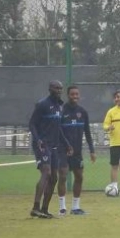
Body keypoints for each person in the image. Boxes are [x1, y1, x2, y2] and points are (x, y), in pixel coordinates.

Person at [28, 80, 72, 219]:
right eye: (56, 88)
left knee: (54, 178)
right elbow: (32, 124)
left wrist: (67, 144)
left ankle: (44, 209)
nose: (59, 90)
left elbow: (58, 128)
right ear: (50, 89)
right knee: (46, 172)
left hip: (54, 146)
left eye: (60, 88)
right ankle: (35, 208)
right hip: (43, 144)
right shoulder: (42, 104)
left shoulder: (60, 106)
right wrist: (38, 140)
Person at [57, 85, 96, 216]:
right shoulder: (62, 111)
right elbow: (58, 131)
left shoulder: (82, 112)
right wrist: (65, 145)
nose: (75, 96)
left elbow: (87, 132)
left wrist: (92, 150)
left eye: (77, 94)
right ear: (68, 95)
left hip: (77, 152)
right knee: (62, 175)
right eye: (72, 94)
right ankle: (62, 208)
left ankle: (75, 207)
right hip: (63, 150)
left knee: (79, 177)